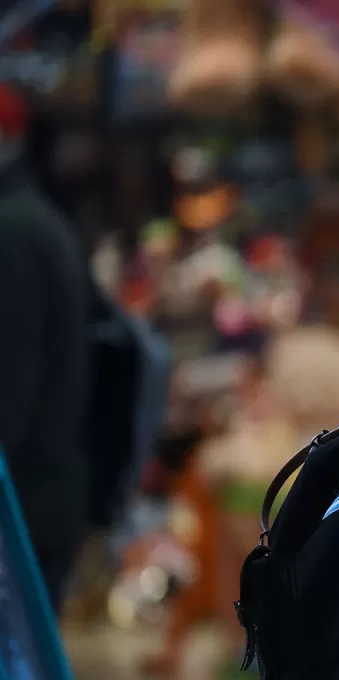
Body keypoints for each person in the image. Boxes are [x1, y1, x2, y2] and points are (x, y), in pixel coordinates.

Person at [0, 84, 90, 611]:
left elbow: (8, 390)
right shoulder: (31, 216)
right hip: (38, 502)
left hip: (21, 511)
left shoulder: (12, 230)